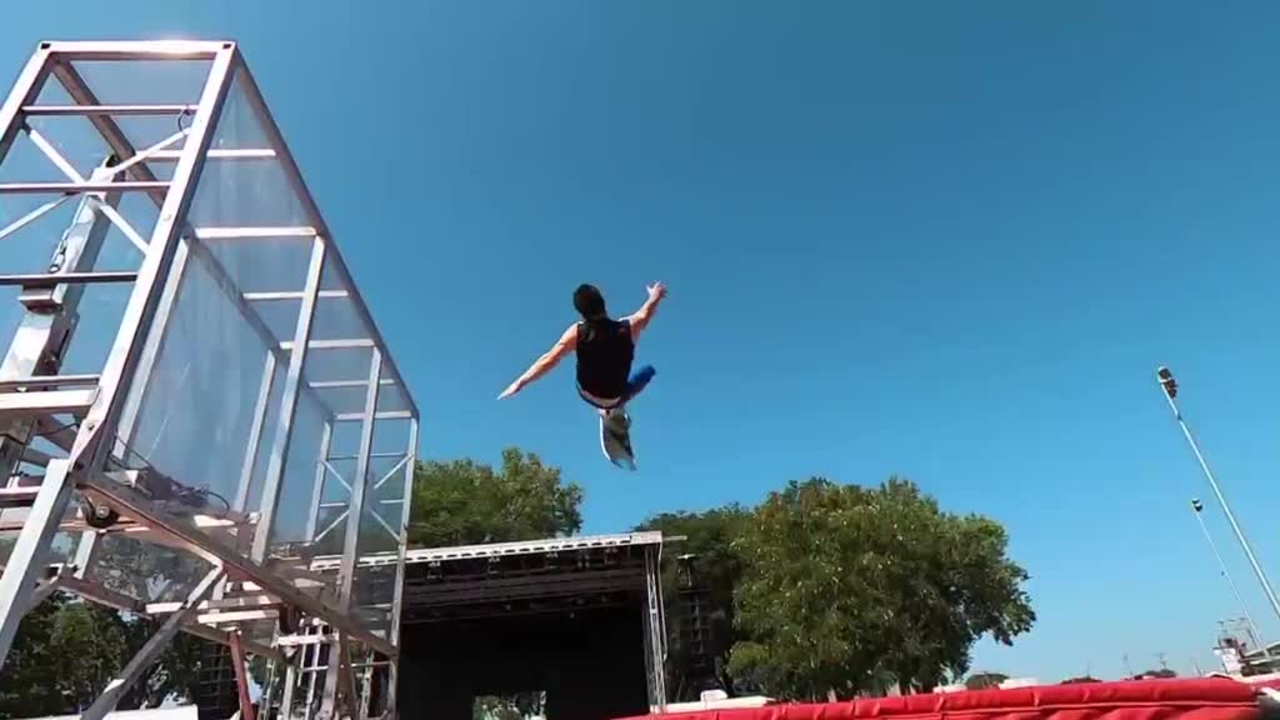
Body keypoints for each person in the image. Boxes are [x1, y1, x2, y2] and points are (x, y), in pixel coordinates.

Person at [498, 282, 667, 444]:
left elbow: (549, 359)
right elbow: (645, 314)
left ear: (581, 313)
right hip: (614, 397)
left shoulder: (576, 332)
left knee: (608, 362)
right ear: (604, 303)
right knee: (648, 370)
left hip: (586, 392)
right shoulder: (629, 327)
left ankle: (608, 409)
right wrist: (655, 295)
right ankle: (610, 409)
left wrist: (520, 383)